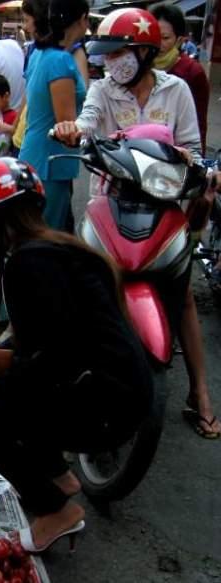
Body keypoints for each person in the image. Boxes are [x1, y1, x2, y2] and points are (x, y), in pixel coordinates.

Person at [0, 157, 153, 552]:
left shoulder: (28, 265)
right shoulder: (61, 249)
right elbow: (40, 344)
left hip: (104, 411)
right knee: (7, 392)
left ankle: (56, 512)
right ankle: (59, 475)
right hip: (127, 395)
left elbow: (56, 358)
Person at [54, 8, 220, 439]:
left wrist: (200, 167)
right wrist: (72, 129)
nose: (111, 63)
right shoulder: (104, 91)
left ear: (145, 52)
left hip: (165, 206)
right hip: (110, 203)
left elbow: (192, 148)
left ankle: (200, 393)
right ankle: (66, 379)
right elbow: (87, 124)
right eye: (106, 56)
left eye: (119, 53)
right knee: (84, 286)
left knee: (181, 296)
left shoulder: (177, 90)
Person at [17, 0, 88, 231]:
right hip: (51, 159)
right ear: (83, 19)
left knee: (35, 230)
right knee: (47, 235)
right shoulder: (60, 60)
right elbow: (65, 127)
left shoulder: (40, 52)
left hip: (36, 153)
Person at [149, 2, 210, 154]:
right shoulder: (140, 65)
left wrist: (196, 162)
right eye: (154, 36)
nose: (158, 44)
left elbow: (199, 124)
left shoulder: (193, 72)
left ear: (180, 40)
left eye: (165, 38)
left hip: (176, 154)